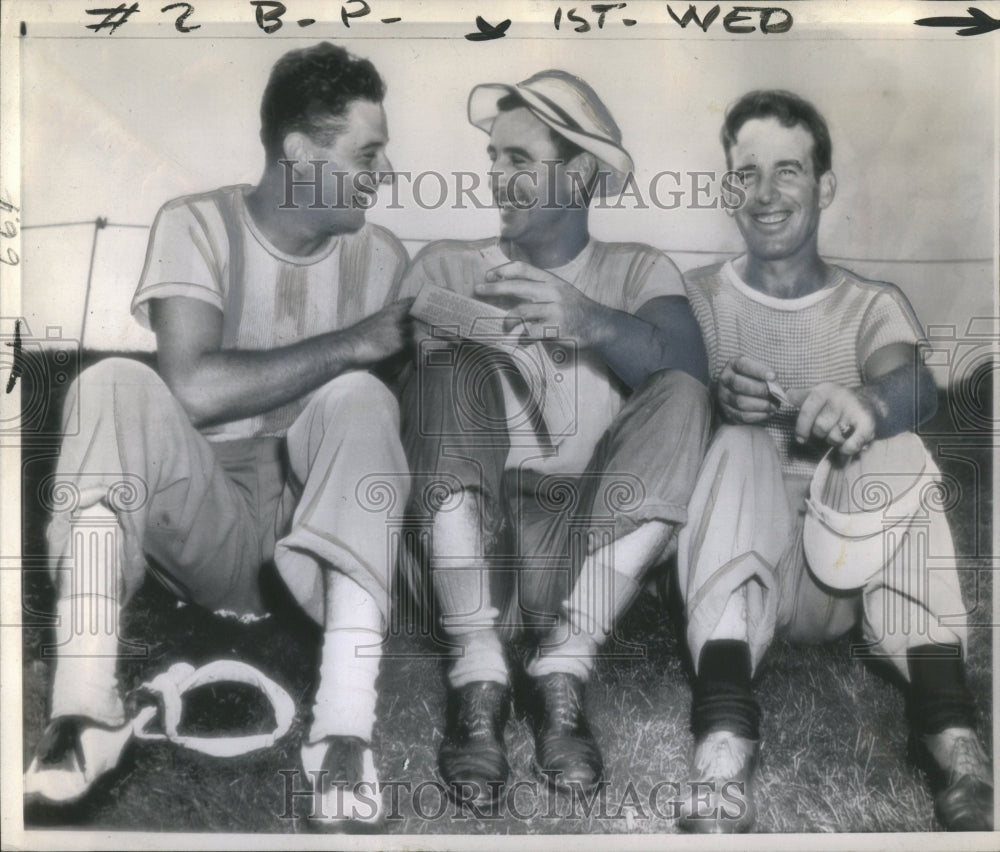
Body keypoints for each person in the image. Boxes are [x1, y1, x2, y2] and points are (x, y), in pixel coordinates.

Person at [24, 42, 412, 830]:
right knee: (110, 382)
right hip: (208, 521)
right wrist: (354, 342)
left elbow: (376, 431)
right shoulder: (195, 222)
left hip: (316, 532)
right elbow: (192, 389)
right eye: (369, 153)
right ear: (301, 152)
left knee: (365, 397)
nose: (385, 173)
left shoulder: (385, 258)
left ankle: (343, 727)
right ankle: (83, 710)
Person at [676, 89, 993, 833]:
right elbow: (659, 419)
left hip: (843, 569)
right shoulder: (693, 299)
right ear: (728, 189)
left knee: (899, 444)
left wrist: (868, 406)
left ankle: (955, 739)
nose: (765, 193)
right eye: (746, 173)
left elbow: (912, 383)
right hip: (736, 578)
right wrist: (709, 398)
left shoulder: (867, 302)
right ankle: (722, 740)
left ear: (824, 187)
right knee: (738, 437)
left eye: (788, 172)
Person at [399, 70, 710, 806]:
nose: (496, 178)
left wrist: (590, 322)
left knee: (683, 390)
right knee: (447, 365)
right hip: (458, 551)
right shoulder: (446, 262)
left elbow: (690, 369)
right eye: (494, 159)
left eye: (518, 161)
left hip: (577, 556)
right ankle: (477, 676)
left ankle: (563, 667)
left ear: (578, 175)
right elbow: (396, 404)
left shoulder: (636, 268)